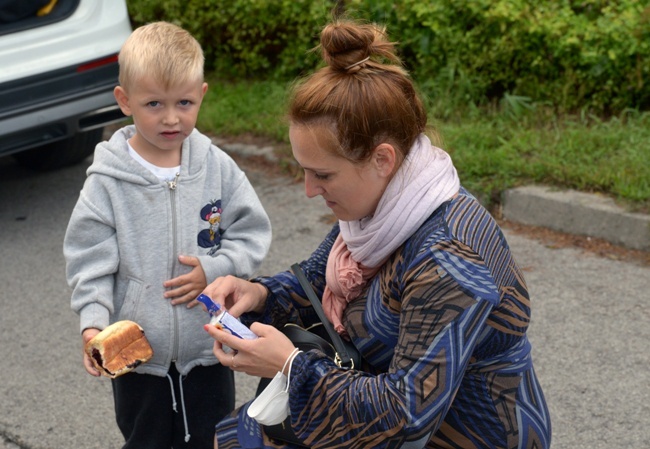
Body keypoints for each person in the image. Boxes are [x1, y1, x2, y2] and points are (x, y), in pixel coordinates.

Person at [202, 18, 552, 449]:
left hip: (467, 434)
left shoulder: (448, 258)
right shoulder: (385, 206)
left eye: (323, 174)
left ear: (382, 159)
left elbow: (407, 416)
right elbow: (315, 281)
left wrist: (293, 366)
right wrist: (258, 295)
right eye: (304, 171)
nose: (310, 190)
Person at [63, 21, 272, 449]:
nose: (172, 117)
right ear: (125, 101)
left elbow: (250, 233)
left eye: (185, 102)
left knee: (215, 438)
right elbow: (89, 261)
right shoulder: (108, 182)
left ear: (203, 96)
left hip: (209, 346)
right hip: (138, 356)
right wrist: (93, 326)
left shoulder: (216, 166)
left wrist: (215, 267)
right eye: (154, 103)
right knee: (146, 439)